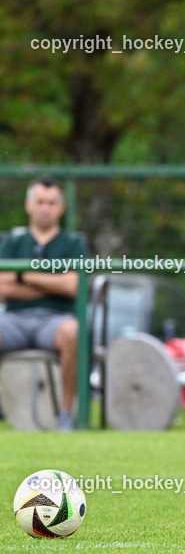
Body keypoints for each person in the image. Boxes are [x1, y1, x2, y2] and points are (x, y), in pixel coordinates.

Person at [0, 176, 88, 431]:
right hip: (14, 321)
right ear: (28, 205)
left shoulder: (74, 244)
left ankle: (65, 414)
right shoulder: (12, 243)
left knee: (73, 332)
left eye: (51, 202)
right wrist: (52, 283)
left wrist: (24, 275)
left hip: (55, 321)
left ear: (61, 207)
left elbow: (73, 286)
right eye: (40, 201)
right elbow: (1, 287)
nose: (45, 208)